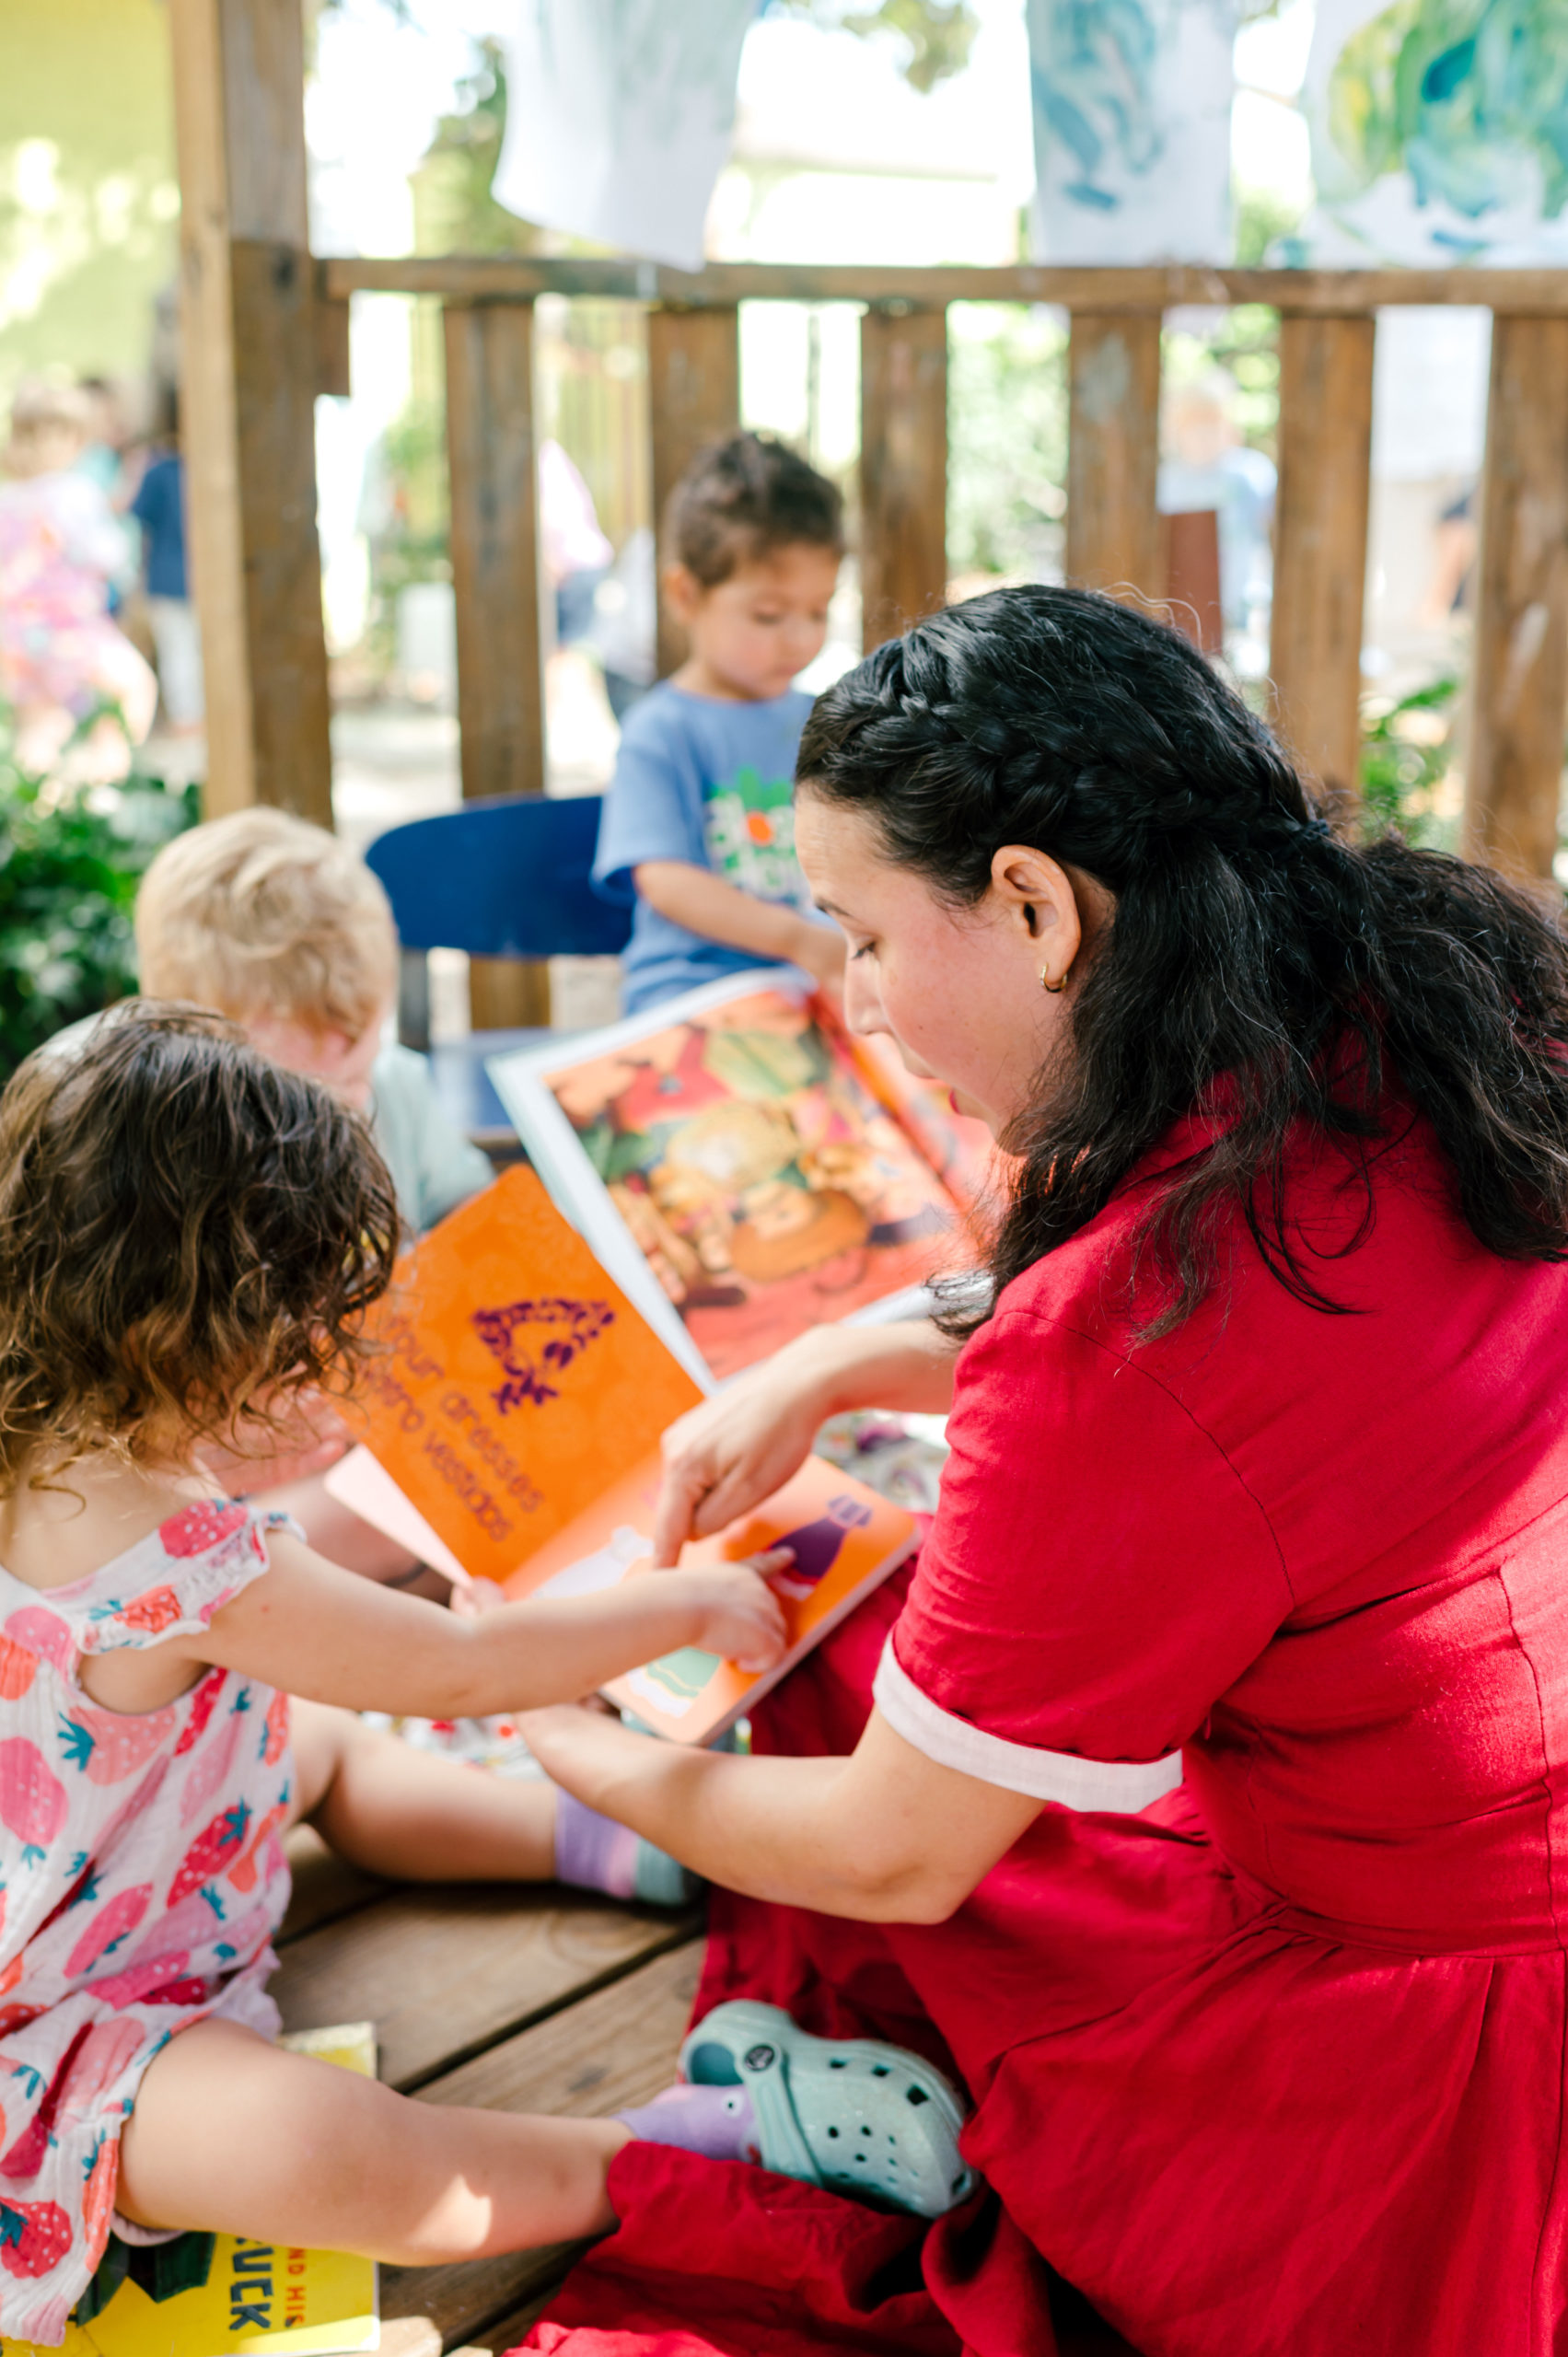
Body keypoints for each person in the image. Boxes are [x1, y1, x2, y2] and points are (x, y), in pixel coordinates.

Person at [515, 584, 1568, 2356]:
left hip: (1422, 2052)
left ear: (1031, 904)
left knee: (837, 1686)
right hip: (1456, 1814)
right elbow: (1244, 1333)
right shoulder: (1435, 1001)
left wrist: (573, 1741)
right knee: (862, 1629)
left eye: (857, 935)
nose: (849, 1003)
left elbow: (889, 1854)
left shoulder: (1122, 1337)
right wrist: (846, 1352)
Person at [0, 1003, 838, 2350]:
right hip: (55, 2041)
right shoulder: (189, 1558)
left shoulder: (49, 1430)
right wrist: (679, 1603)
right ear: (201, 1330)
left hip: (121, 1862)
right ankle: (654, 2148)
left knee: (309, 1744)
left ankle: (631, 1850)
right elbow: (457, 1667)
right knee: (317, 2152)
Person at [592, 431, 847, 1015]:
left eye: (819, 610)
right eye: (768, 614)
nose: (801, 638)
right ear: (686, 595)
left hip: (810, 997)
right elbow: (669, 882)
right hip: (689, 1000)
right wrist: (800, 941)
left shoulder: (824, 719)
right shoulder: (661, 731)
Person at [0, 379, 154, 778]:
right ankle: (100, 786)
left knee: (40, 728)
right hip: (71, 631)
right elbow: (110, 554)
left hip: (17, 636)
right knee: (133, 690)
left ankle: (35, 815)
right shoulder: (74, 493)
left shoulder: (8, 498)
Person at [129, 395, 203, 737]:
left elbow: (138, 521)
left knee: (179, 652)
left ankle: (187, 719)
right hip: (201, 579)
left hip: (166, 576)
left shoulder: (158, 471)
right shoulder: (209, 470)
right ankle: (196, 719)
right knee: (195, 650)